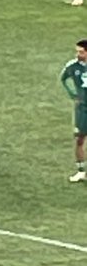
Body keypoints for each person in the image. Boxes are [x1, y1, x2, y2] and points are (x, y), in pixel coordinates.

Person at [60, 39, 87, 182]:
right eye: (77, 52)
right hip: (82, 110)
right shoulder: (72, 66)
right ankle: (81, 171)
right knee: (79, 139)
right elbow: (63, 79)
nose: (78, 55)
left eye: (81, 52)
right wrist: (72, 94)